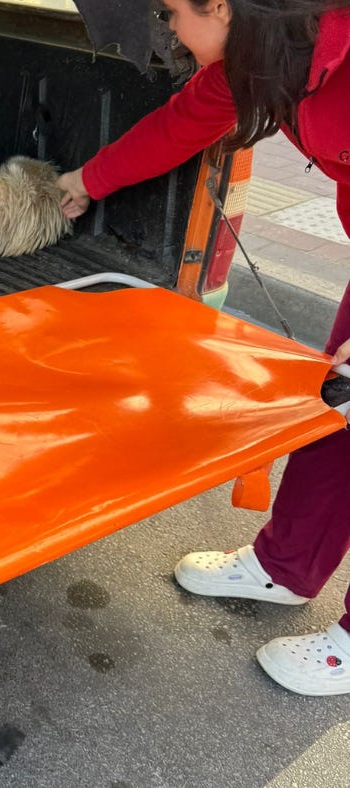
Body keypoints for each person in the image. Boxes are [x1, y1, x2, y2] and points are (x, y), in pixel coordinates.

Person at [56, 0, 350, 696]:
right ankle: (285, 567)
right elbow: (180, 124)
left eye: (169, 12)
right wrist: (85, 182)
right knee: (334, 407)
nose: (167, 31)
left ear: (218, 4)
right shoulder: (259, 58)